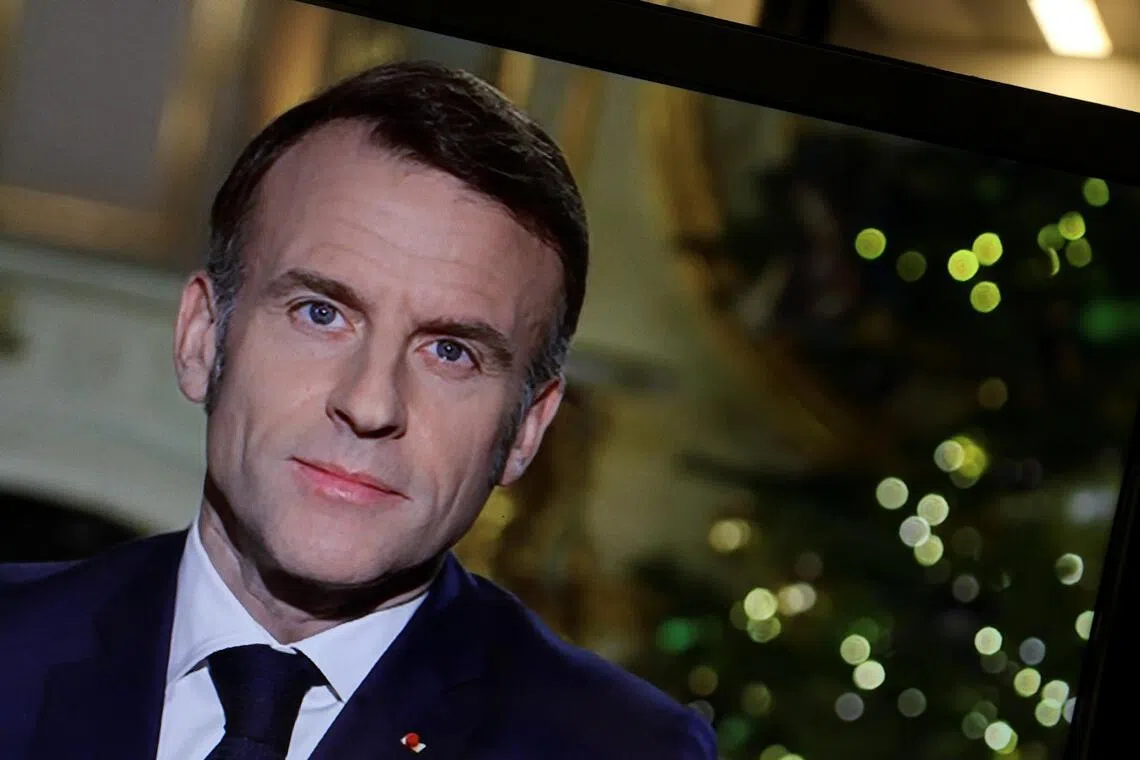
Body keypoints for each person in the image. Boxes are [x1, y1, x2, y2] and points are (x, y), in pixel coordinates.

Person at [0, 61, 717, 759]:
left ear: (527, 427)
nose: (370, 403)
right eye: (321, 313)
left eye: (451, 352)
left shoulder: (617, 747)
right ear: (201, 337)